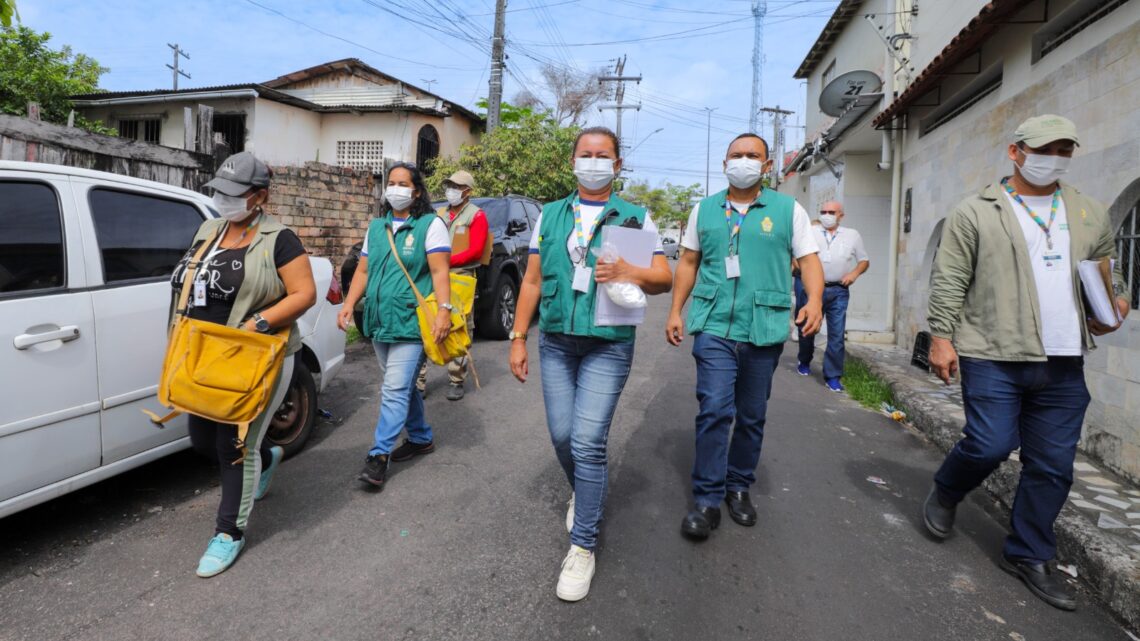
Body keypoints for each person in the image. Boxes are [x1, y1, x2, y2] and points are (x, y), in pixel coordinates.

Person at [922, 115, 1131, 611]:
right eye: (1044, 147)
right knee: (990, 442)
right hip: (993, 350)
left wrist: (1116, 301)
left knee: (1054, 466)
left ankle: (1028, 553)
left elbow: (1108, 270)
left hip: (1064, 360)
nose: (1053, 157)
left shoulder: (1087, 211)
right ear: (1015, 151)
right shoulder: (976, 210)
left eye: (1064, 149)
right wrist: (941, 338)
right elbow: (949, 277)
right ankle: (948, 490)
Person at [508, 126, 673, 602]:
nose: (595, 161)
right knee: (562, 436)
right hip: (556, 341)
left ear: (618, 165)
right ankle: (584, 490)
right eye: (586, 154)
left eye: (604, 155)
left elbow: (661, 277)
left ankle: (583, 544)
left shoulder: (633, 217)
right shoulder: (552, 216)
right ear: (573, 161)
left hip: (607, 342)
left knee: (588, 441)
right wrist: (519, 337)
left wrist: (630, 271)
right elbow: (533, 281)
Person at [666, 133, 824, 541]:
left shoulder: (788, 210)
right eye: (736, 155)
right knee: (714, 408)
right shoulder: (704, 210)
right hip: (714, 322)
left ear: (766, 165)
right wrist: (674, 311)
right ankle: (706, 498)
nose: (744, 161)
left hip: (764, 326)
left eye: (752, 155)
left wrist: (816, 300)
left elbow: (808, 261)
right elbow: (687, 261)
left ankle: (738, 485)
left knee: (751, 415)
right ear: (724, 163)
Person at [171, 151, 316, 577]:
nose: (224, 200)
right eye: (219, 191)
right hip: (205, 354)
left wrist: (261, 322)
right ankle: (269, 457)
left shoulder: (280, 238)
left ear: (260, 197)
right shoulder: (209, 229)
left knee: (234, 446)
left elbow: (303, 294)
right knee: (201, 439)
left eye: (234, 194)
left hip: (257, 357)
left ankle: (229, 532)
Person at [339, 162, 453, 489]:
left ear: (416, 191)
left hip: (411, 321)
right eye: (392, 183)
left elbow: (439, 272)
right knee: (399, 385)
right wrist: (348, 304)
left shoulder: (430, 225)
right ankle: (420, 437)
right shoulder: (377, 227)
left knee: (393, 388)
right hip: (378, 319)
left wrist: (443, 310)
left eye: (404, 183)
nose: (396, 189)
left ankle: (379, 455)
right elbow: (362, 271)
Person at [416, 170, 489, 401]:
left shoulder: (476, 216)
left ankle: (456, 379)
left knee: (459, 326)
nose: (451, 191)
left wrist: (444, 261)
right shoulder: (439, 213)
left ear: (467, 191)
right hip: (435, 276)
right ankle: (418, 381)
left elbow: (476, 250)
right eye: (449, 186)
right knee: (426, 322)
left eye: (456, 187)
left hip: (460, 277)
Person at [793, 200, 869, 391]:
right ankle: (804, 360)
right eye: (823, 211)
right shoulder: (811, 232)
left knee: (836, 334)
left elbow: (864, 260)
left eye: (831, 212)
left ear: (840, 215)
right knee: (807, 328)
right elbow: (797, 254)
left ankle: (833, 376)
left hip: (838, 291)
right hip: (811, 289)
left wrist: (853, 274)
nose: (826, 215)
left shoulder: (852, 235)